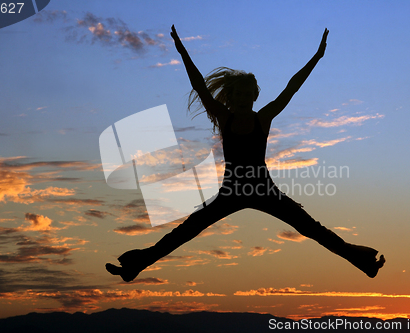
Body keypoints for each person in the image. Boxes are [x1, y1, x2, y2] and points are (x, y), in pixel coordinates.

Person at [106, 25, 385, 282]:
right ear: (231, 96)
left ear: (254, 96)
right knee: (186, 231)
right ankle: (134, 267)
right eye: (237, 94)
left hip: (265, 190)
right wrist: (182, 51)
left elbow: (292, 87)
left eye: (247, 94)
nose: (242, 98)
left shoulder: (263, 119)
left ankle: (365, 263)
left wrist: (318, 57)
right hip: (231, 192)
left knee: (311, 229)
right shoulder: (224, 117)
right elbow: (199, 85)